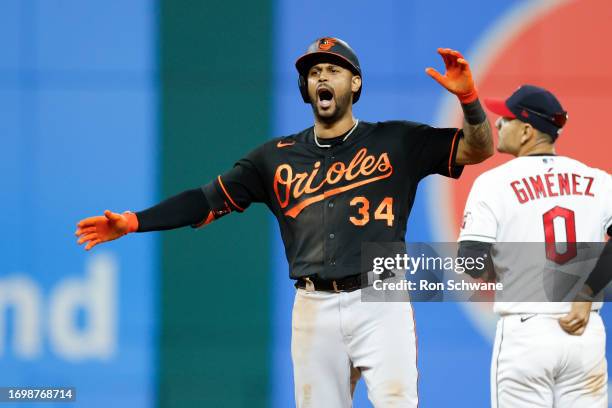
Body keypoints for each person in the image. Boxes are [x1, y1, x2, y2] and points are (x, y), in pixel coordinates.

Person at [76, 37, 493, 407]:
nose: (322, 77)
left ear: (355, 84)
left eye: (333, 70)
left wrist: (470, 100)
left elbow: (479, 150)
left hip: (380, 297)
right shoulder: (274, 158)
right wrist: (134, 221)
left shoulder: (398, 140)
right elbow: (204, 201)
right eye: (314, 73)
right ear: (306, 88)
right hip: (314, 304)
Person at [458, 84, 612, 407]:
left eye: (506, 118)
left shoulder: (493, 183)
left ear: (527, 131)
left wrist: (496, 271)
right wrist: (587, 292)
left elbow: (469, 261)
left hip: (525, 333)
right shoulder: (598, 181)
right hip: (584, 331)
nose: (498, 123)